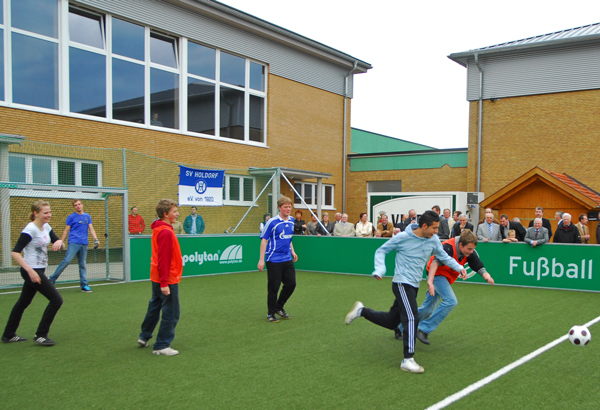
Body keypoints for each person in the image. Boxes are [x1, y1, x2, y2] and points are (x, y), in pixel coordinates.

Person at [344, 210, 467, 374]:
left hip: (414, 285)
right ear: (424, 226)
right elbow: (381, 250)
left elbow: (443, 257)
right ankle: (407, 359)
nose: (437, 232)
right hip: (401, 283)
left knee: (391, 321)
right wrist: (379, 269)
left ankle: (361, 311)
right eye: (434, 228)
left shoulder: (433, 240)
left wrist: (459, 267)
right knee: (411, 317)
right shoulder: (403, 237)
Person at [397, 229, 494, 345]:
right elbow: (434, 263)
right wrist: (430, 281)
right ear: (461, 245)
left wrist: (487, 276)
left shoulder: (470, 251)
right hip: (437, 275)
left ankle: (399, 326)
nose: (471, 252)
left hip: (446, 278)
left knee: (427, 310)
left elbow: (478, 266)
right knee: (451, 301)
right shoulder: (448, 247)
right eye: (469, 249)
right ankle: (423, 329)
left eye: (473, 249)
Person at [2, 201, 64, 346]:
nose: (49, 215)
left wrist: (60, 242)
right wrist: (30, 271)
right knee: (56, 300)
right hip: (30, 270)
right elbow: (15, 253)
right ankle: (41, 335)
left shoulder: (46, 227)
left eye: (49, 212)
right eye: (45, 213)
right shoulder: (30, 230)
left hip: (39, 269)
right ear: (36, 213)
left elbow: (59, 244)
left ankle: (8, 335)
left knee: (23, 302)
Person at [138, 199, 182, 356]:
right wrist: (165, 283)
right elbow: (164, 258)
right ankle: (162, 345)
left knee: (155, 305)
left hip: (158, 275)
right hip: (166, 278)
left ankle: (144, 336)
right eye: (174, 211)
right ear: (165, 214)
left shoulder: (159, 228)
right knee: (172, 311)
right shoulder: (165, 232)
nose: (177, 214)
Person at [258, 196, 298, 323]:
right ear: (279, 208)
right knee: (274, 287)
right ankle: (270, 313)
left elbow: (288, 238)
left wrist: (292, 250)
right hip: (273, 259)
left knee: (291, 284)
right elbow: (264, 240)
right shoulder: (272, 222)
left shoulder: (292, 220)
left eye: (289, 206)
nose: (288, 209)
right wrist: (261, 259)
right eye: (285, 207)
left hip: (287, 258)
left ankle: (279, 307)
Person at [49, 199, 99, 293]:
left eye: (79, 204)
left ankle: (84, 285)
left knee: (82, 264)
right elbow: (66, 231)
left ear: (82, 205)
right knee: (67, 261)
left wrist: (96, 239)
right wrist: (61, 242)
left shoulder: (87, 216)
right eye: (76, 205)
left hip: (84, 243)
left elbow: (91, 229)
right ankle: (51, 280)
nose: (78, 206)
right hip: (73, 242)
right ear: (74, 207)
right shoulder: (71, 217)